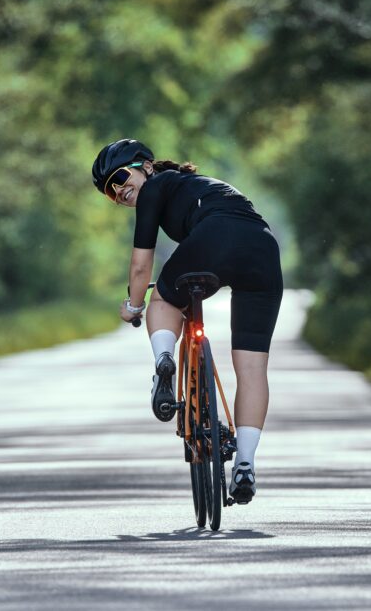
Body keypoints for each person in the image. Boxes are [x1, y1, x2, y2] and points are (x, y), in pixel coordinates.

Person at [91, 138, 282, 504]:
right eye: (109, 193)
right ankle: (245, 462)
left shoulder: (156, 188)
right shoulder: (202, 185)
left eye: (119, 178)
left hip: (216, 237)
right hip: (262, 249)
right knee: (253, 368)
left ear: (145, 165)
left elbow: (140, 266)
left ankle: (164, 361)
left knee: (162, 297)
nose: (119, 192)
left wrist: (133, 306)